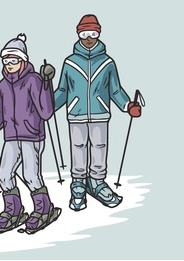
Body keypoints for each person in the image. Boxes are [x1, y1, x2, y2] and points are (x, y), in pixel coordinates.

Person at [53, 15, 141, 211]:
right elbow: (62, 90)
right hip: (76, 113)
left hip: (100, 113)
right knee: (78, 147)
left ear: (99, 34)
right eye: (84, 33)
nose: (89, 38)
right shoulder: (70, 62)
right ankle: (78, 184)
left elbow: (115, 90)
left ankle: (97, 182)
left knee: (99, 147)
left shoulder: (108, 63)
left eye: (93, 33)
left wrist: (128, 105)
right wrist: (48, 106)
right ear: (78, 34)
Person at [0, 34, 61, 234]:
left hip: (32, 136)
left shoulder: (34, 80)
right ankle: (13, 211)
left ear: (23, 60)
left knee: (31, 175)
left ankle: (43, 210)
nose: (9, 64)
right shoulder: (2, 85)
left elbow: (46, 112)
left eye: (13, 60)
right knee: (4, 174)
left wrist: (47, 83)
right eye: (6, 60)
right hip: (11, 136)